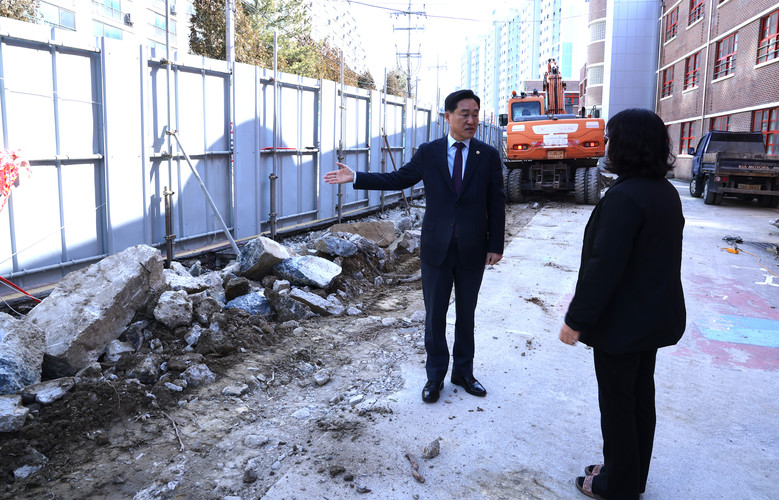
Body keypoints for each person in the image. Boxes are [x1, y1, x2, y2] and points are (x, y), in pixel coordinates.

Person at [324, 89, 505, 403]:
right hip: (436, 247)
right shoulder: (430, 152)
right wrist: (356, 177)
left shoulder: (487, 155)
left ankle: (464, 373)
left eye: (475, 114)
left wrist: (496, 245)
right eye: (464, 114)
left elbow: (496, 202)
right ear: (448, 117)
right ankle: (435, 377)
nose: (471, 120)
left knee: (466, 314)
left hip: (473, 248)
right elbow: (398, 179)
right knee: (434, 316)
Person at [559, 108, 686, 499]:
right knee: (639, 400)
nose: (606, 145)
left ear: (628, 145)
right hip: (650, 319)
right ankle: (628, 472)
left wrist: (576, 319)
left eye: (611, 138)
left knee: (618, 406)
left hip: (622, 325)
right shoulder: (663, 192)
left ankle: (618, 485)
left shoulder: (625, 197)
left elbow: (604, 266)